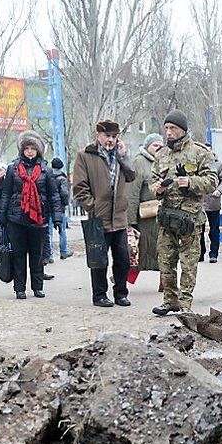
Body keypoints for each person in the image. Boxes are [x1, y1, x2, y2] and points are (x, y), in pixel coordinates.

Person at [150, 109, 218, 315]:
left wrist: (191, 181)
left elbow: (212, 180)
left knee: (188, 263)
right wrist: (158, 188)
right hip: (167, 217)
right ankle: (169, 300)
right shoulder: (161, 154)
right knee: (166, 261)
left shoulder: (200, 152)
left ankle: (185, 303)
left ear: (183, 130)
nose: (169, 133)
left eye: (173, 129)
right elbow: (152, 181)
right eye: (167, 129)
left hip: (190, 218)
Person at [73, 120, 136, 307]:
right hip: (98, 216)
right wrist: (92, 206)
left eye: (114, 136)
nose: (110, 140)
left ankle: (121, 293)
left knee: (123, 259)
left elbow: (132, 175)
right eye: (107, 136)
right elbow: (79, 186)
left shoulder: (119, 155)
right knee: (99, 259)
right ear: (98, 135)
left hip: (119, 216)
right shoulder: (85, 155)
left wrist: (124, 157)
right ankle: (99, 295)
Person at [0, 130, 62, 299]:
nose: (30, 151)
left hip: (38, 218)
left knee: (37, 255)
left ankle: (38, 287)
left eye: (33, 148)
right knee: (18, 255)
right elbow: (6, 193)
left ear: (38, 150)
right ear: (22, 150)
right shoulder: (13, 169)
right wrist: (2, 215)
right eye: (27, 148)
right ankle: (20, 288)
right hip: (16, 217)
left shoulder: (45, 171)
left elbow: (53, 195)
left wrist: (57, 217)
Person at [126, 134, 164, 278]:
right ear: (147, 146)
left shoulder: (163, 162)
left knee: (164, 250)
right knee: (137, 250)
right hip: (144, 216)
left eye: (161, 145)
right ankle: (124, 281)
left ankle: (165, 282)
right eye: (155, 145)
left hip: (160, 214)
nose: (159, 148)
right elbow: (132, 192)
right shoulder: (139, 162)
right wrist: (131, 221)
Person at [200, 152, 222, 263]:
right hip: (199, 203)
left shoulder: (218, 164)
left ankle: (214, 253)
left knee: (214, 229)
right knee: (198, 230)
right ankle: (200, 253)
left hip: (213, 202)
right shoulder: (197, 163)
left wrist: (219, 190)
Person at [49, 157, 73, 260]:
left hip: (49, 206)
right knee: (62, 230)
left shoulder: (48, 176)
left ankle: (49, 255)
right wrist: (65, 203)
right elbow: (64, 193)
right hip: (59, 207)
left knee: (48, 231)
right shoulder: (62, 178)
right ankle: (63, 251)